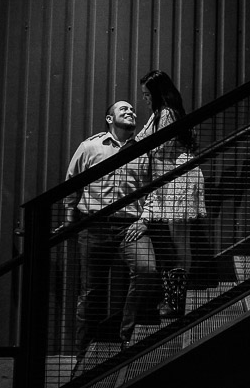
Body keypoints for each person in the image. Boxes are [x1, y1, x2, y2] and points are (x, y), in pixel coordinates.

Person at [63, 100, 158, 369]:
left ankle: (126, 335)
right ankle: (82, 356)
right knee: (91, 293)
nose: (130, 111)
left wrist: (145, 219)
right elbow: (72, 182)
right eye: (122, 109)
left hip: (129, 227)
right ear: (109, 118)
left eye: (132, 109)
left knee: (147, 269)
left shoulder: (143, 150)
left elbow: (153, 188)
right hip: (94, 227)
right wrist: (70, 219)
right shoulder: (90, 147)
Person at [134, 70, 207, 318]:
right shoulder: (159, 114)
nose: (144, 99)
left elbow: (156, 146)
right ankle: (175, 297)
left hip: (179, 177)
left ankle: (178, 300)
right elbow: (142, 140)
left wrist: (145, 149)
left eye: (147, 94)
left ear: (157, 93)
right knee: (176, 241)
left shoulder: (167, 114)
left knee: (179, 241)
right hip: (170, 179)